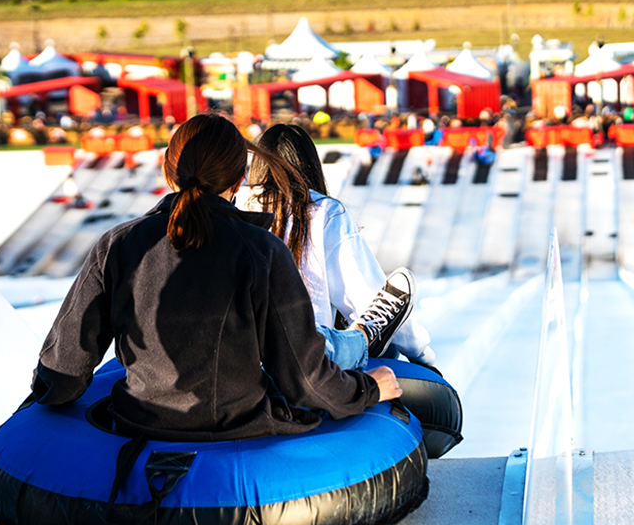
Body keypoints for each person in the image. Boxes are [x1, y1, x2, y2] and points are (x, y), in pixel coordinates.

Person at [32, 114, 402, 442]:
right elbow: (305, 382)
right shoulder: (264, 250)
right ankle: (365, 337)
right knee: (325, 348)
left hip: (139, 425)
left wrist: (37, 407)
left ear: (167, 172)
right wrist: (370, 388)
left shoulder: (117, 244)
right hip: (240, 431)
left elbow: (61, 374)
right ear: (240, 179)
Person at [242, 123, 437, 371]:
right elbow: (371, 301)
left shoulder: (233, 207)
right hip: (306, 368)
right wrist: (422, 352)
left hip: (241, 366)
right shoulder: (322, 212)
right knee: (388, 352)